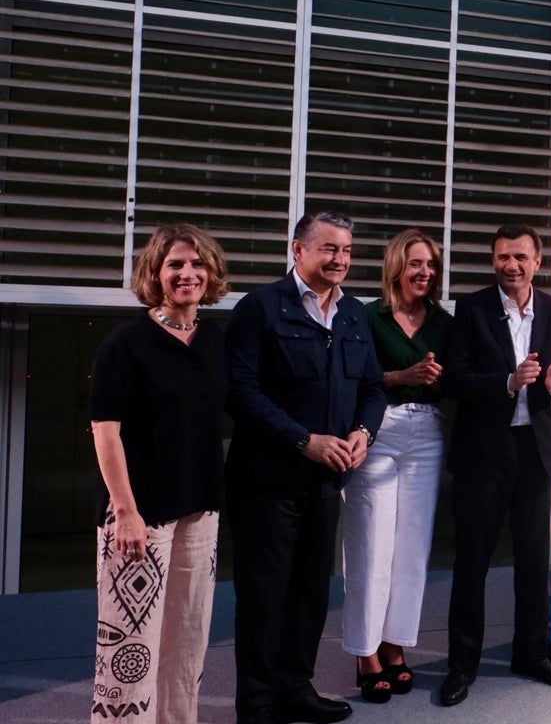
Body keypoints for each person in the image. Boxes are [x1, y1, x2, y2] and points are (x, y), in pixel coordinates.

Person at [225, 210, 386, 724]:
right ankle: (256, 705)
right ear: (298, 250)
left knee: (312, 594)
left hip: (325, 482)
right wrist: (303, 441)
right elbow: (241, 393)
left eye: (345, 250)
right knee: (264, 596)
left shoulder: (355, 314)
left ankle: (296, 688)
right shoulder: (259, 308)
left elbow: (374, 389)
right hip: (267, 482)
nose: (339, 259)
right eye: (328, 249)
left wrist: (363, 432)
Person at [90, 223, 229, 723]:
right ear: (155, 272)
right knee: (130, 648)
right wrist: (125, 512)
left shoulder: (215, 341)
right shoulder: (126, 343)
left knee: (188, 641)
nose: (187, 273)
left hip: (200, 508)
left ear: (210, 272)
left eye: (196, 264)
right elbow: (105, 431)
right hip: (139, 514)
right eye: (175, 264)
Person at [439, 223, 551, 706]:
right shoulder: (471, 309)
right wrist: (507, 382)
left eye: (520, 257)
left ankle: (532, 653)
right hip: (483, 451)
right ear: (493, 260)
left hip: (535, 451)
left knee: (535, 560)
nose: (511, 265)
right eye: (503, 257)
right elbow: (453, 380)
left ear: (537, 262)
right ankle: (462, 666)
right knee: (472, 563)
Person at [342, 229, 452, 703]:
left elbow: (457, 384)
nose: (424, 272)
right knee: (372, 545)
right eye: (415, 264)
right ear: (396, 267)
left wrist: (441, 381)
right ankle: (364, 653)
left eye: (430, 264)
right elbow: (351, 378)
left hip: (428, 433)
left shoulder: (444, 323)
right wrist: (399, 377)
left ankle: (394, 646)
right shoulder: (366, 317)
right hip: (378, 430)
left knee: (412, 548)